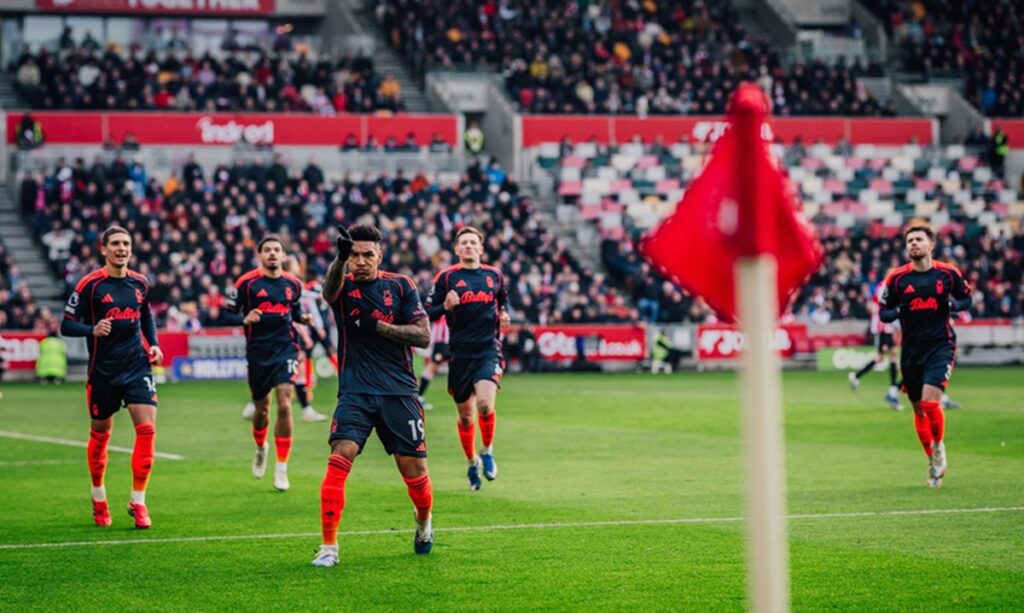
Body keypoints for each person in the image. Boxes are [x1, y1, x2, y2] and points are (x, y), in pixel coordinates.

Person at [312, 224, 434, 567]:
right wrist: (338, 260)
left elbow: (423, 337)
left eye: (368, 254)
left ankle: (423, 522)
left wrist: (378, 326)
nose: (361, 261)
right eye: (354, 255)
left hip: (399, 392)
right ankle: (329, 547)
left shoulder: (401, 285)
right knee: (341, 454)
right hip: (355, 391)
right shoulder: (342, 285)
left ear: (380, 255)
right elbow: (327, 292)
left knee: (414, 473)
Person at [60, 226, 163, 528]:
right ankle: (98, 497)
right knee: (100, 437)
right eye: (115, 243)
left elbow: (146, 316)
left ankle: (139, 502)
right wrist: (91, 329)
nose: (121, 248)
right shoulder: (90, 285)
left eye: (126, 243)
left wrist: (153, 344)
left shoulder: (140, 283)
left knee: (147, 430)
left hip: (136, 367)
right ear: (103, 249)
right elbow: (66, 324)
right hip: (103, 372)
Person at [879, 225, 972, 488]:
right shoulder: (897, 279)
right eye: (910, 241)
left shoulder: (948, 273)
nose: (914, 244)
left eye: (919, 239)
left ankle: (939, 448)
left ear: (931, 245)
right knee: (919, 408)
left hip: (940, 346)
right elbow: (883, 312)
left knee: (932, 403)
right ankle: (932, 459)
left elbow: (967, 299)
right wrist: (899, 310)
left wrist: (952, 305)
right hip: (911, 351)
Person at [426, 227, 511, 491]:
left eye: (473, 242)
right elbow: (427, 311)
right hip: (459, 353)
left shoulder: (494, 276)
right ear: (456, 249)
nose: (469, 246)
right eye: (464, 243)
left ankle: (487, 451)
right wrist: (445, 307)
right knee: (465, 417)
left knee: (485, 404)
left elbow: (503, 303)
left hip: (487, 349)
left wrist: (505, 317)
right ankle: (471, 461)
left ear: (481, 248)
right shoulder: (446, 277)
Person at [227, 236, 310, 492]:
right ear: (259, 255)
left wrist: (302, 319)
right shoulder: (247, 283)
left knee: (285, 405)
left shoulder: (293, 284)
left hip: (285, 349)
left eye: (277, 250)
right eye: (267, 250)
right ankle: (261, 446)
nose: (272, 253)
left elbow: (293, 312)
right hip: (258, 354)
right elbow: (226, 312)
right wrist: (245, 317)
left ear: (283, 256)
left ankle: (282, 468)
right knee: (261, 411)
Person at [849, 284, 903, 410]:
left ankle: (892, 388)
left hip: (888, 327)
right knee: (883, 357)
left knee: (891, 355)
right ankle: (892, 389)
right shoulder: (884, 286)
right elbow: (878, 306)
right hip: (883, 328)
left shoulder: (889, 286)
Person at [417, 317, 451, 411]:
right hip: (441, 342)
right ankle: (418, 396)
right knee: (432, 368)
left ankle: (418, 396)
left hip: (443, 341)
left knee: (433, 368)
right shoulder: (443, 312)